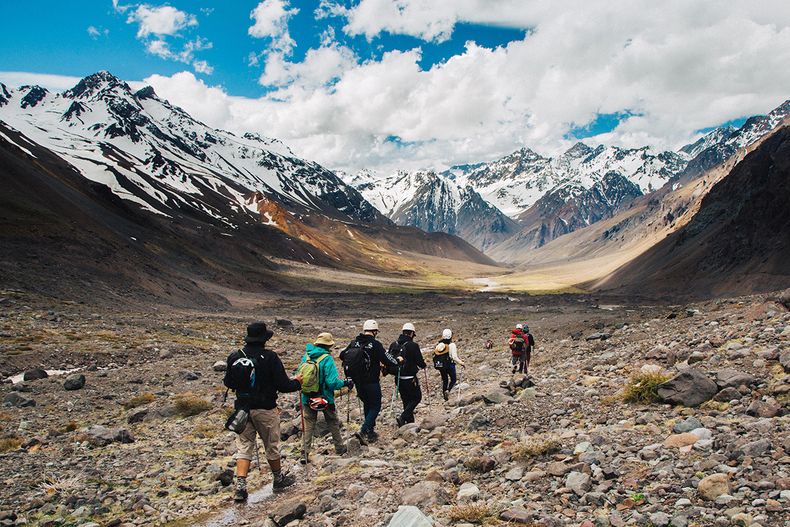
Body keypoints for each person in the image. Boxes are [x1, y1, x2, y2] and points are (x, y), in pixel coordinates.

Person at [225, 322, 302, 502]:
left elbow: (228, 383)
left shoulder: (235, 356)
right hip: (266, 409)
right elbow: (283, 385)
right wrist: (298, 382)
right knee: (271, 445)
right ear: (264, 339)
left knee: (244, 447)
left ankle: (241, 487)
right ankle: (278, 479)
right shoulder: (270, 357)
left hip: (242, 410)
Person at [340, 319, 402, 444]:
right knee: (375, 405)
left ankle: (370, 431)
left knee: (367, 404)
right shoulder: (375, 344)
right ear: (374, 331)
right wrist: (398, 360)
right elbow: (388, 359)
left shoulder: (354, 342)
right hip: (371, 381)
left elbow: (342, 355)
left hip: (358, 382)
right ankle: (363, 431)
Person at [298, 332, 354, 464]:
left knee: (309, 424)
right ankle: (340, 448)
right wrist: (345, 383)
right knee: (333, 421)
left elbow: (298, 374)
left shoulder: (307, 356)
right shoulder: (327, 359)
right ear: (329, 345)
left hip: (308, 396)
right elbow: (332, 382)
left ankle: (304, 453)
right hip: (325, 398)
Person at [390, 323, 427, 427]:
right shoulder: (413, 345)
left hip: (398, 378)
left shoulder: (394, 344)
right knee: (416, 398)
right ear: (411, 333)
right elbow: (419, 362)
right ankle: (403, 417)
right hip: (410, 378)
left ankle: (409, 423)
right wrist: (424, 365)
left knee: (406, 400)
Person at [433, 328, 465, 400]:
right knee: (453, 379)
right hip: (450, 365)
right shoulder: (452, 345)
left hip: (441, 365)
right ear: (450, 336)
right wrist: (461, 363)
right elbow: (454, 357)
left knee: (445, 380)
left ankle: (445, 397)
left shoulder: (439, 345)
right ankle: (448, 390)